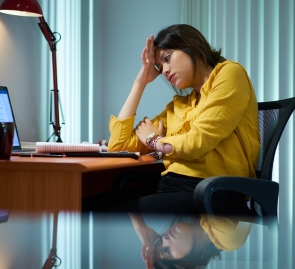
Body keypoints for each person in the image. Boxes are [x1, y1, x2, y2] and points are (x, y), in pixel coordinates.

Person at [100, 24, 261, 214]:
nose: (165, 71)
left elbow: (197, 143)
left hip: (214, 193)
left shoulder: (230, 73)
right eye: (160, 67)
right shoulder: (180, 105)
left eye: (167, 59)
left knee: (105, 218)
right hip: (172, 187)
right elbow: (118, 146)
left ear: (190, 46)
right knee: (87, 208)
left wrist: (154, 140)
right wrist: (140, 82)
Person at [128, 212, 253, 269]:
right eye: (167, 250)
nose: (164, 238)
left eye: (159, 241)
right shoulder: (228, 238)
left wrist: (140, 227)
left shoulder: (193, 212)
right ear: (188, 260)